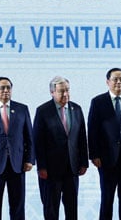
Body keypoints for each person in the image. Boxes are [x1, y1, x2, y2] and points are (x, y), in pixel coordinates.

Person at [87, 68, 121, 220]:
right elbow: (92, 130)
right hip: (106, 159)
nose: (119, 82)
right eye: (115, 79)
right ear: (107, 82)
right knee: (107, 198)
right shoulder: (98, 102)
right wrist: (94, 155)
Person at [0, 76, 35, 220]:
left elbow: (29, 137)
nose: (5, 91)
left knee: (18, 207)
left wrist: (30, 160)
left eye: (8, 87)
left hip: (18, 164)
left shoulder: (22, 109)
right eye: (2, 88)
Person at [33, 76, 89, 220]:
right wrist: (42, 167)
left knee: (72, 208)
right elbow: (38, 142)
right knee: (51, 209)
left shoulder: (76, 109)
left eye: (67, 90)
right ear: (52, 92)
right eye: (61, 91)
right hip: (51, 170)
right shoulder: (43, 111)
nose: (65, 94)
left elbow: (82, 137)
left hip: (72, 167)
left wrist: (84, 163)